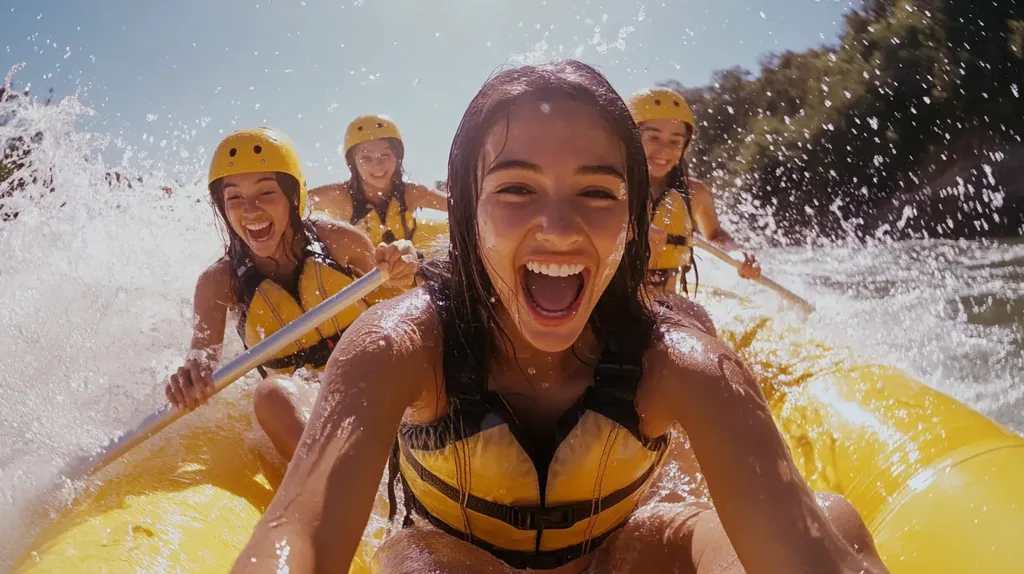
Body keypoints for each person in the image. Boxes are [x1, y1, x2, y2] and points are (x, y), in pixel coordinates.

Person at [232, 62, 888, 574]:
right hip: (454, 555)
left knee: (833, 521)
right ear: (467, 213)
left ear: (636, 223)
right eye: (516, 189)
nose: (558, 228)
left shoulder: (683, 355)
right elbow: (299, 535)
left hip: (625, 551)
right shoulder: (400, 343)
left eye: (597, 193)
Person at [164, 127, 419, 460]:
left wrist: (404, 265)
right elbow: (202, 362)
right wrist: (190, 380)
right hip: (306, 400)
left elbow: (400, 294)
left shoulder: (338, 240)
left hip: (373, 376)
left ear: (293, 196)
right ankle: (341, 500)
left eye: (266, 193)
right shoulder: (218, 283)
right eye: (235, 197)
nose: (251, 210)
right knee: (271, 396)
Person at [628, 87, 762, 300]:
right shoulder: (607, 188)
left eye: (675, 141)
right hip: (615, 301)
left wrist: (737, 254)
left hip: (669, 301)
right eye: (653, 137)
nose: (664, 150)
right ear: (629, 138)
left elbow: (715, 235)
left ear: (685, 145)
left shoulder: (695, 193)